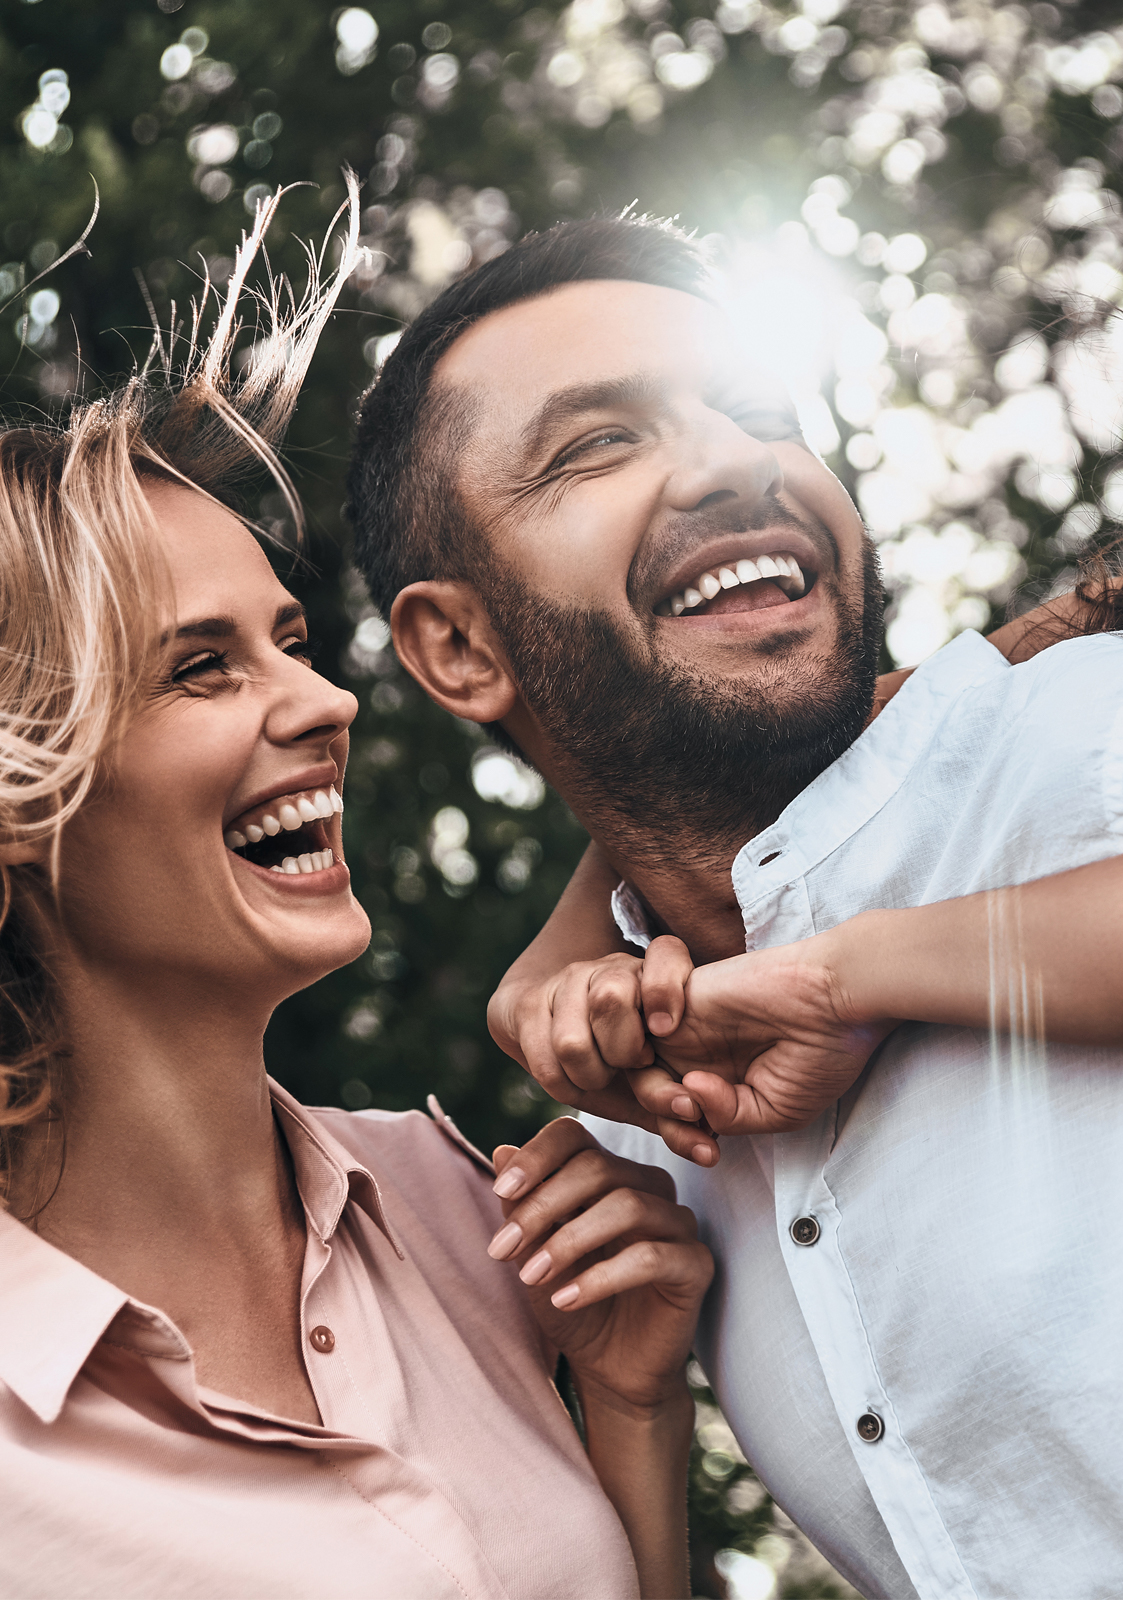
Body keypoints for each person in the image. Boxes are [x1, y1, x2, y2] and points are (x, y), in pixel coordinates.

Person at [344, 7, 1123, 1595]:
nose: (733, 467)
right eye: (601, 443)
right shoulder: (664, 1129)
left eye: (760, 410)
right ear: (455, 647)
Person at [0, 195, 712, 1600]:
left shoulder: (465, 1209)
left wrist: (629, 1411)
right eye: (202, 668)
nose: (324, 702)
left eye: (291, 641)